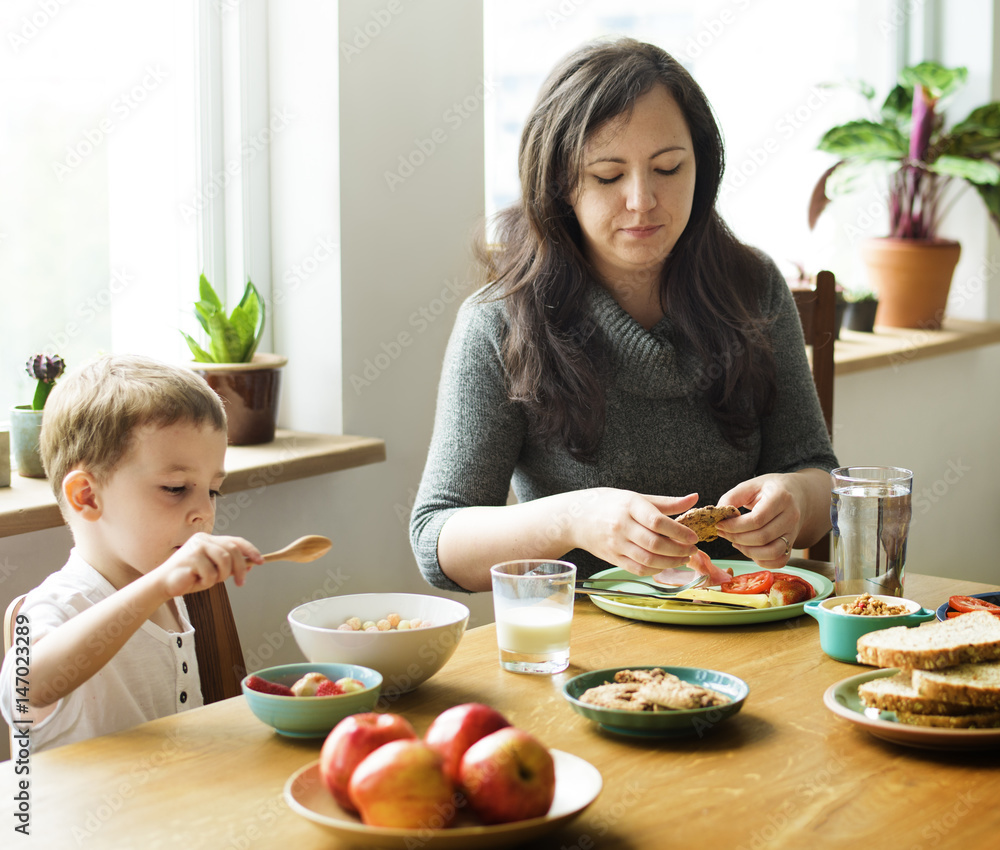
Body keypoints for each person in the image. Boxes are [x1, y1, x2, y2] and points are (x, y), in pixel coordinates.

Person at [410, 38, 838, 593]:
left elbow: (819, 473)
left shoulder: (752, 289)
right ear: (560, 184)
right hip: (584, 650)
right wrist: (571, 519)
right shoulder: (503, 320)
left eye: (667, 168)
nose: (642, 199)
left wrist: (797, 498)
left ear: (701, 168)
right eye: (608, 176)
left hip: (748, 624)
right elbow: (436, 538)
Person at [0, 355, 263, 751]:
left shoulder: (172, 595)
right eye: (176, 488)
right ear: (87, 496)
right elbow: (25, 687)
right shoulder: (58, 604)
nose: (206, 512)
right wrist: (157, 586)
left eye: (213, 490)